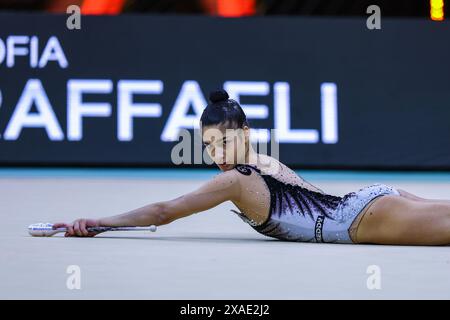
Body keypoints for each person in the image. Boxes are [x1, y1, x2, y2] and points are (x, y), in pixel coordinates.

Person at [54, 90, 450, 245]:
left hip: (363, 219)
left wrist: (99, 222)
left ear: (246, 132)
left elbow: (164, 212)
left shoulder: (237, 179)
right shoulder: (261, 162)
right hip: (370, 206)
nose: (217, 151)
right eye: (208, 145)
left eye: (225, 140)